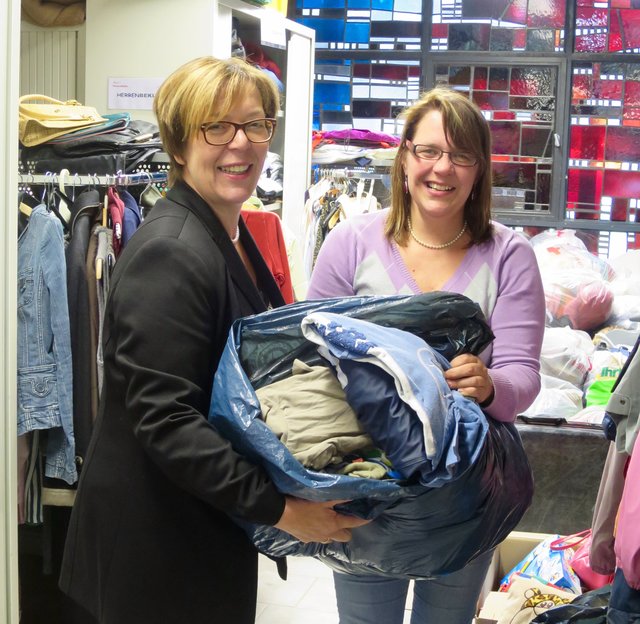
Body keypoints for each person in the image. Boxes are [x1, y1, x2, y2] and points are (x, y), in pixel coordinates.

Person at [59, 56, 367, 624]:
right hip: (154, 545)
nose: (240, 144)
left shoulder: (233, 229)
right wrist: (280, 510)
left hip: (196, 525)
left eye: (255, 125)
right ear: (178, 146)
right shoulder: (172, 250)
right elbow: (167, 419)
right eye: (216, 127)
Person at [306, 86, 546, 624]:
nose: (443, 169)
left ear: (480, 168)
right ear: (406, 155)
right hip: (366, 486)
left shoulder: (508, 256)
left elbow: (524, 377)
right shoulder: (351, 242)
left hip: (464, 495)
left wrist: (490, 385)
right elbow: (311, 355)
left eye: (461, 155)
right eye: (429, 151)